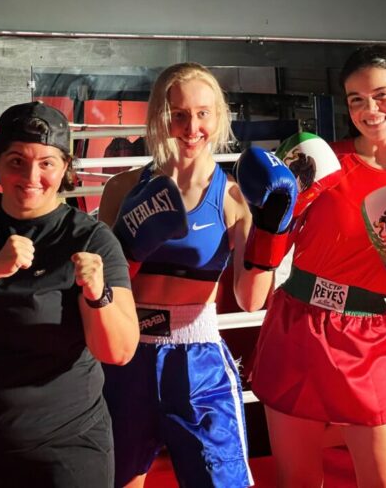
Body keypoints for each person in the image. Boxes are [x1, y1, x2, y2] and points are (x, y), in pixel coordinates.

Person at [250, 44, 386, 488]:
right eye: (356, 99)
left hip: (366, 334)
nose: (370, 109)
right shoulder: (321, 161)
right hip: (297, 323)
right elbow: (269, 252)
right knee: (296, 479)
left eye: (381, 95)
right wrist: (268, 216)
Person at [0, 101, 140, 487]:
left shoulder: (90, 238)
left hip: (64, 448)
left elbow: (119, 351)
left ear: (65, 167)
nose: (32, 175)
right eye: (17, 160)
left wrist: (98, 294)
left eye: (47, 162)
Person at [98, 62, 285, 488]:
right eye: (178, 114)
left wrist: (272, 230)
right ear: (159, 118)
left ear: (219, 117)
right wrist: (129, 248)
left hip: (197, 358)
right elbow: (102, 290)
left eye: (202, 113)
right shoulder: (123, 189)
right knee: (117, 480)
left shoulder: (234, 197)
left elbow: (251, 298)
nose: (190, 127)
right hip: (128, 354)